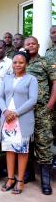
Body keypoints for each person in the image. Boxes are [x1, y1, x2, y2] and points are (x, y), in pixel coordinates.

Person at [0, 51, 38, 194]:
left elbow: (32, 100)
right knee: (9, 149)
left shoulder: (31, 79)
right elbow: (0, 97)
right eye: (15, 62)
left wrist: (15, 113)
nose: (17, 65)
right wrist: (5, 111)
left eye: (21, 62)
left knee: (21, 151)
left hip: (22, 119)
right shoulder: (6, 78)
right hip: (7, 119)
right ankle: (10, 178)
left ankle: (20, 181)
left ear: (26, 63)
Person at [24, 36, 56, 195]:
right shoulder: (21, 62)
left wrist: (50, 104)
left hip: (41, 109)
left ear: (38, 45)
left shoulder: (46, 62)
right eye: (27, 44)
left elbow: (55, 82)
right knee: (27, 143)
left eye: (33, 43)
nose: (30, 46)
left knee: (43, 143)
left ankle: (45, 180)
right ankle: (29, 173)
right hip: (24, 111)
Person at [45, 25, 56, 169]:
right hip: (52, 95)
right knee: (52, 128)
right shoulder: (48, 53)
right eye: (52, 32)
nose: (54, 34)